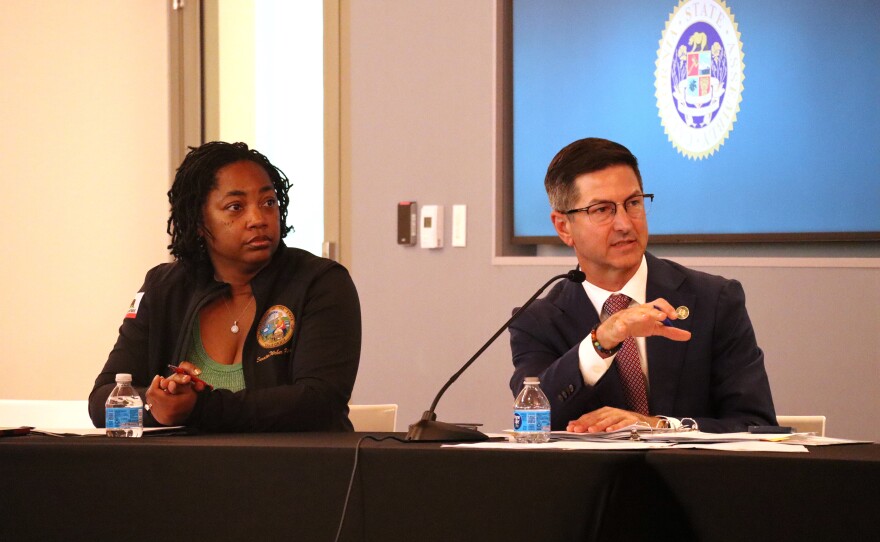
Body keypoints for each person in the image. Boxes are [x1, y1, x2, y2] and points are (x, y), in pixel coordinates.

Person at [88, 142, 361, 432]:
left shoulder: (321, 282)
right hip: (181, 473)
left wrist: (200, 408)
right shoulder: (163, 289)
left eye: (268, 202)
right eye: (235, 207)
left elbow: (319, 402)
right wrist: (157, 404)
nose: (258, 219)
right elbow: (102, 402)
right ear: (198, 221)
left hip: (296, 470)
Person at [509, 138, 775, 433]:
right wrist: (601, 341)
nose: (624, 223)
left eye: (633, 203)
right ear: (563, 227)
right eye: (602, 210)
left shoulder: (715, 300)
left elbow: (756, 425)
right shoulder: (537, 322)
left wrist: (659, 426)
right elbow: (534, 419)